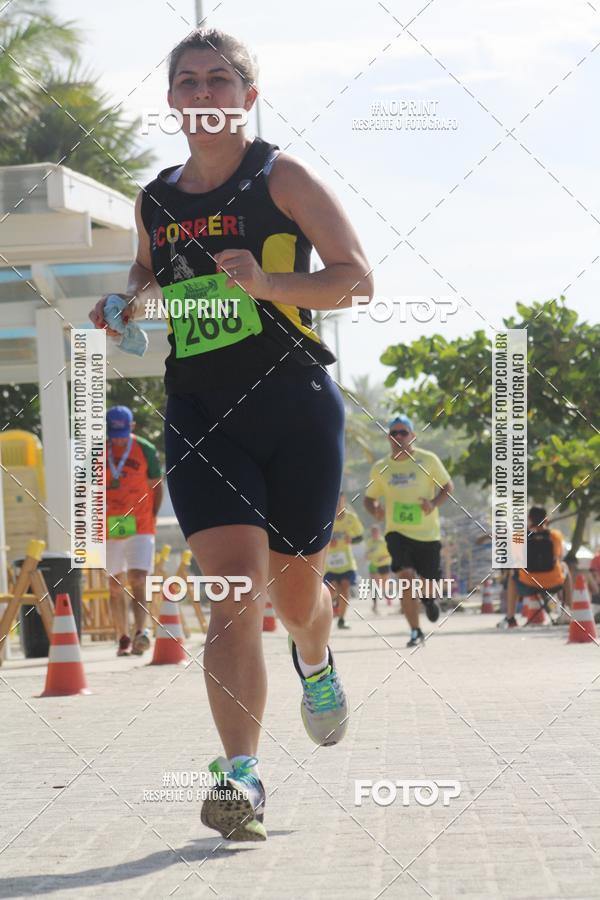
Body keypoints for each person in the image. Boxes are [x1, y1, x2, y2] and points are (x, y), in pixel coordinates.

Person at [90, 28, 374, 841]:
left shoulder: (282, 177)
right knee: (233, 594)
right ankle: (240, 778)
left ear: (248, 96)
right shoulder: (155, 200)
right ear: (172, 100)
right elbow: (149, 275)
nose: (204, 92)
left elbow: (356, 279)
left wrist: (269, 282)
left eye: (220, 79)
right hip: (202, 411)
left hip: (295, 404)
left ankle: (315, 658)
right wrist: (126, 304)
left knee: (297, 600)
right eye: (189, 81)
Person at [364, 415, 453, 647]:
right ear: (388, 438)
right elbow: (369, 498)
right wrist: (375, 511)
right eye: (394, 433)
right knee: (405, 577)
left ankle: (428, 600)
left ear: (412, 436)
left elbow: (447, 486)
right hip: (397, 532)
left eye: (403, 432)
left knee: (428, 582)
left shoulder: (428, 460)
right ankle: (415, 631)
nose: (399, 437)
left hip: (427, 533)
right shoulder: (380, 468)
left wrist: (433, 504)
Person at [105, 406, 163, 656]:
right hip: (109, 525)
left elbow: (156, 485)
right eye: (113, 435)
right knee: (115, 585)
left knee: (138, 579)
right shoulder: (98, 452)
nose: (118, 440)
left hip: (140, 523)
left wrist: (152, 515)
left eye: (122, 434)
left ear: (132, 427)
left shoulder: (145, 449)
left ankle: (141, 632)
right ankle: (122, 636)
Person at [497, 506, 572, 629]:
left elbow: (516, 559)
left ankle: (511, 618)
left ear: (529, 518)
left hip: (527, 584)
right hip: (553, 583)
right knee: (565, 567)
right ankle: (566, 611)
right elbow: (558, 557)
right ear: (546, 519)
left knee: (512, 575)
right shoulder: (555, 535)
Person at [323, 492, 364, 628]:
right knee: (333, 589)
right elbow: (316, 538)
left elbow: (360, 537)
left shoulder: (351, 518)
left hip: (347, 562)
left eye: (340, 501)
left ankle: (341, 619)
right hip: (330, 564)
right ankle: (333, 603)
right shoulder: (326, 518)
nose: (338, 505)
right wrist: (328, 542)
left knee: (345, 587)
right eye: (335, 502)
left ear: (344, 501)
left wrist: (351, 540)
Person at [365, 524, 391, 612]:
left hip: (384, 564)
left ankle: (387, 596)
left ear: (379, 532)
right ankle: (375, 605)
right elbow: (367, 553)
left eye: (376, 532)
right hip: (373, 565)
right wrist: (367, 556)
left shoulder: (383, 541)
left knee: (384, 584)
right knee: (374, 585)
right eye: (373, 532)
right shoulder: (369, 542)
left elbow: (389, 552)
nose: (374, 534)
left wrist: (383, 558)